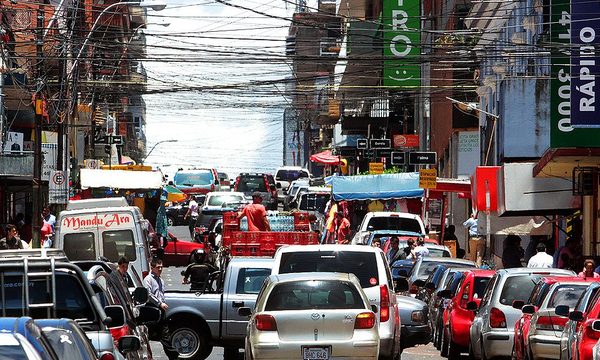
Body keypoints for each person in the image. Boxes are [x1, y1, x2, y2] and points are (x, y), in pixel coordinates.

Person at [144, 258, 179, 360]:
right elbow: (149, 295)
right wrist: (160, 304)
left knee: (165, 335)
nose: (160, 269)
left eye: (161, 267)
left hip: (161, 311)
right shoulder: (148, 279)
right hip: (152, 310)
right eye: (157, 267)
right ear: (152, 268)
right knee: (147, 336)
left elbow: (161, 294)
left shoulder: (161, 280)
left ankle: (174, 356)